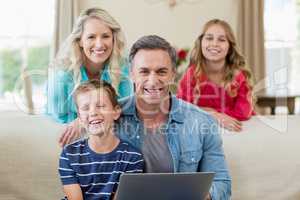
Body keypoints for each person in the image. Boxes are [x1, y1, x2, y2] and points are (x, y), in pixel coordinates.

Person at [60, 35, 231, 200]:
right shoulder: (110, 114)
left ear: (173, 74)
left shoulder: (201, 122)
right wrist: (79, 120)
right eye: (144, 71)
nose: (153, 80)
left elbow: (223, 184)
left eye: (161, 72)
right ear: (132, 74)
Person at [47, 7, 132, 142]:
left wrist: (83, 121)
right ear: (80, 40)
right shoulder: (62, 75)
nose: (99, 44)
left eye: (105, 36)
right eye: (91, 37)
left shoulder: (124, 69)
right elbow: (57, 116)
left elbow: (127, 111)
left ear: (113, 39)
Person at [58, 80, 143, 200]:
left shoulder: (132, 157)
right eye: (86, 108)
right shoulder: (69, 154)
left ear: (116, 112)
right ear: (80, 118)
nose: (93, 112)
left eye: (101, 106)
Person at [177, 19, 255, 132]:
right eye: (209, 38)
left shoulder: (238, 76)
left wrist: (201, 111)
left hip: (236, 134)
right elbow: (182, 110)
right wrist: (213, 115)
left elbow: (243, 113)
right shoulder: (192, 75)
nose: (214, 44)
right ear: (201, 42)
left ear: (229, 47)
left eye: (222, 40)